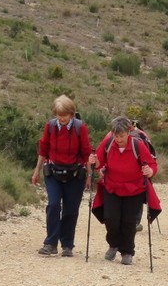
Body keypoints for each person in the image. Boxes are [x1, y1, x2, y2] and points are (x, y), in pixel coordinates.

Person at [87, 116, 158, 266]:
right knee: (111, 218)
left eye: (121, 136)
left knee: (129, 222)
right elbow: (99, 161)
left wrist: (149, 171)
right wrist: (94, 161)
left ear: (128, 132)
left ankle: (127, 252)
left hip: (134, 189)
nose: (118, 139)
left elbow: (152, 164)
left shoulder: (137, 145)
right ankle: (113, 245)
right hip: (112, 186)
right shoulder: (108, 143)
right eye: (116, 136)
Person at [31, 95, 92, 257]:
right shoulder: (50, 127)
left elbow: (86, 152)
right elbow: (43, 149)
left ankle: (67, 245)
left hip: (75, 173)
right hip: (53, 171)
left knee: (70, 210)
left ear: (71, 114)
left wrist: (89, 175)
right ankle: (50, 243)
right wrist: (37, 170)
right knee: (53, 205)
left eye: (65, 115)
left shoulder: (80, 128)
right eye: (59, 115)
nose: (62, 118)